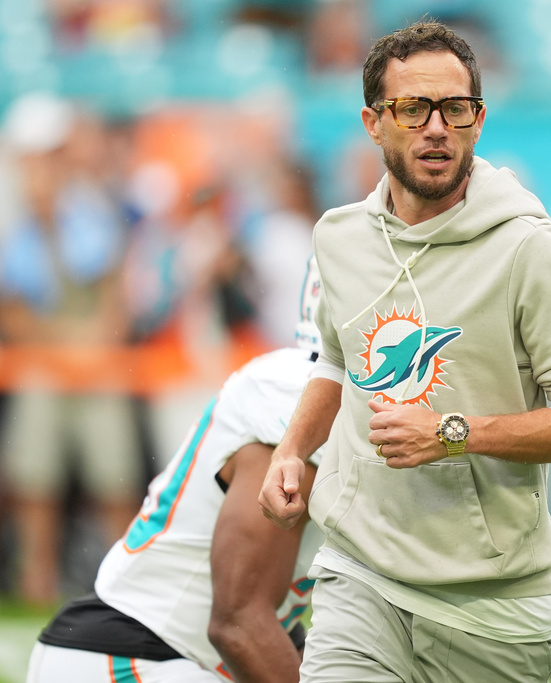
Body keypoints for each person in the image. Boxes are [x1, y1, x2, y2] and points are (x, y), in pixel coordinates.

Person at [258, 20, 551, 683]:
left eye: (455, 109)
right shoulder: (338, 238)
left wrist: (455, 433)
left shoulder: (529, 249)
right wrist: (291, 451)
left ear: (478, 121)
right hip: (358, 571)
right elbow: (337, 362)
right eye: (413, 108)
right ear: (374, 121)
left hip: (491, 607)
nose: (435, 127)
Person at [26, 257, 327, 682]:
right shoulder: (298, 399)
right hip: (133, 658)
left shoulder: (329, 395)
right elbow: (239, 623)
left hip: (172, 656)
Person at [0, 93, 142, 607]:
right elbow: (13, 311)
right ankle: (35, 580)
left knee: (114, 475)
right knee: (34, 477)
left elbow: (109, 300)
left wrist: (78, 340)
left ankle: (125, 584)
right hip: (46, 361)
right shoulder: (16, 213)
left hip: (92, 363)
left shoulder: (91, 204)